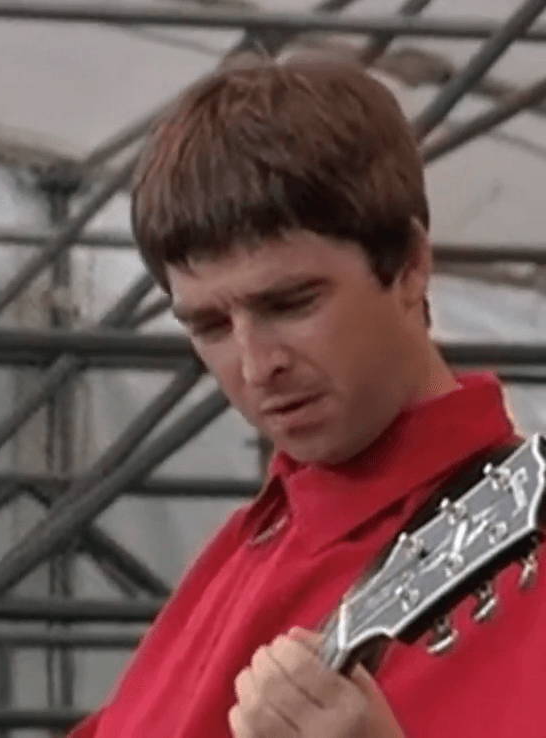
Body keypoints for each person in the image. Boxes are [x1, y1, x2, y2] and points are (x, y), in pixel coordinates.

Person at [68, 52, 544, 737]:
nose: (257, 364)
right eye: (208, 324)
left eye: (290, 303)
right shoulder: (250, 543)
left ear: (409, 266)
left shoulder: (524, 538)